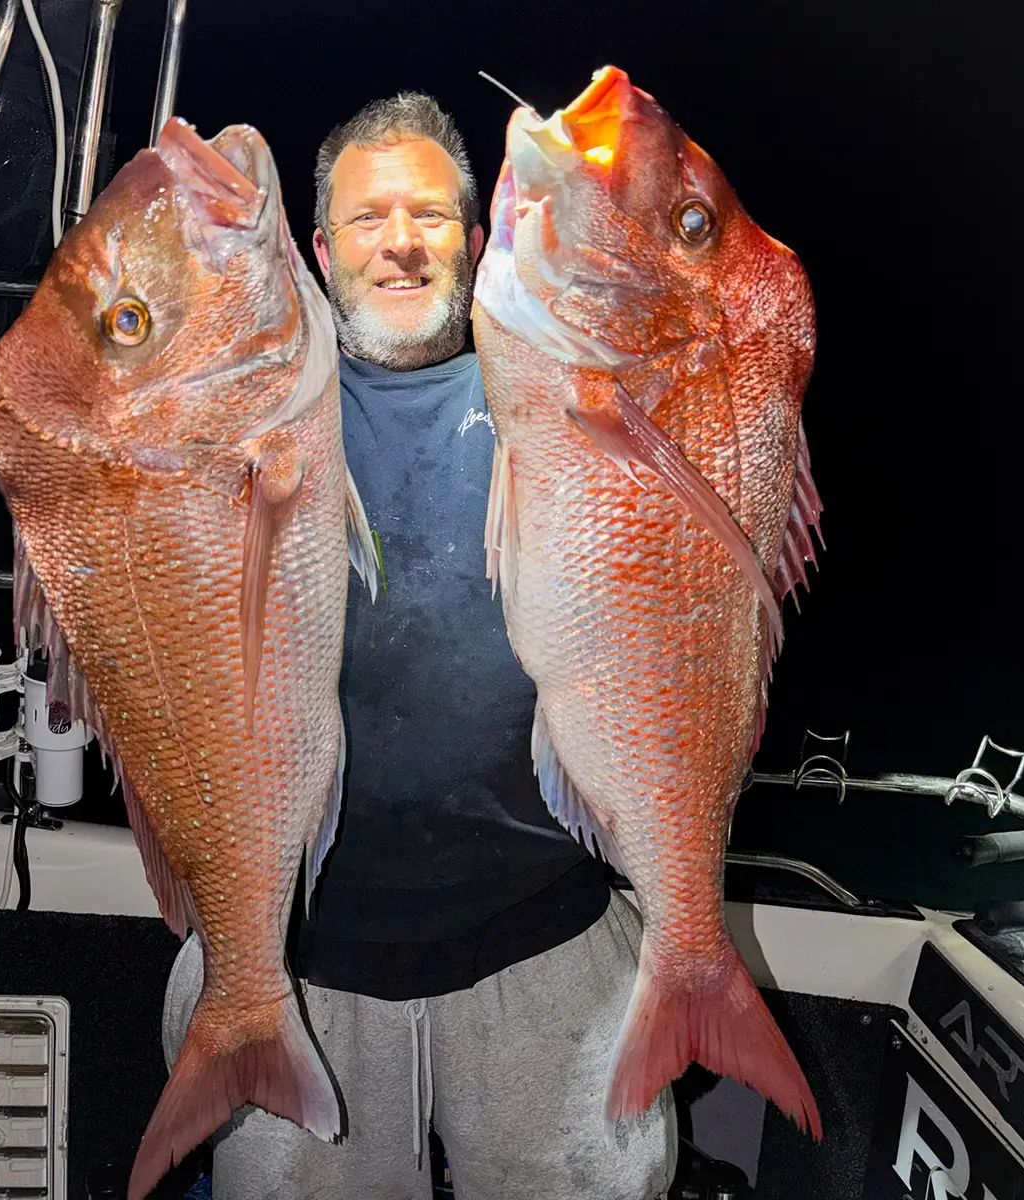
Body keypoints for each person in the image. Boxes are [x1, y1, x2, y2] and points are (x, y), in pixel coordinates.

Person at [162, 92, 677, 1200]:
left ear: (479, 239)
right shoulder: (249, 408)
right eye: (366, 219)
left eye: (432, 216)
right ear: (316, 249)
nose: (401, 242)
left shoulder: (567, 395)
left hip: (545, 943)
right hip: (299, 956)